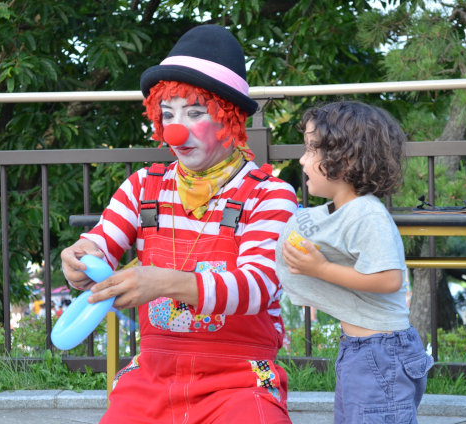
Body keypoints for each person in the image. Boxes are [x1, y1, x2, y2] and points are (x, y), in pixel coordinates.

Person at [60, 24, 298, 423]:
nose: (175, 129)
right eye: (167, 114)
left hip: (238, 381)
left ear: (229, 117)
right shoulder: (143, 186)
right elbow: (100, 242)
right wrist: (81, 258)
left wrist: (162, 282)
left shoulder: (270, 194)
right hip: (152, 377)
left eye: (194, 112)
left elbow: (257, 286)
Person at [276, 100, 434, 423]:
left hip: (381, 354)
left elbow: (389, 278)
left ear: (343, 160)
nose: (302, 160)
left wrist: (320, 269)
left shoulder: (368, 213)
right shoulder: (346, 211)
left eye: (311, 149)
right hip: (362, 350)